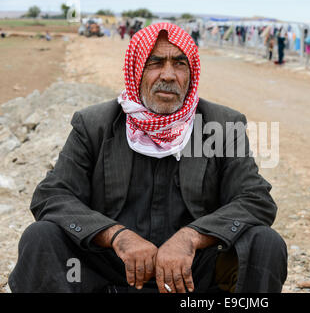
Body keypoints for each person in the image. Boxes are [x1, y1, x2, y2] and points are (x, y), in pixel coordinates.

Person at [8, 22, 287, 293]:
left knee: (264, 242)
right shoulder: (95, 124)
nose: (168, 75)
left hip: (193, 276)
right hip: (110, 271)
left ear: (191, 74)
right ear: (136, 69)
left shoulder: (222, 125)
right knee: (41, 236)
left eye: (179, 63)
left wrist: (190, 238)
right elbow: (52, 195)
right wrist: (117, 235)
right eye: (155, 63)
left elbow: (255, 199)